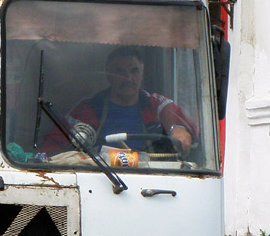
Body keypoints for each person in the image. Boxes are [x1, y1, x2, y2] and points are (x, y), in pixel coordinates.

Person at [42, 46, 196, 157]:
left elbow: (180, 121)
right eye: (119, 72)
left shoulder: (156, 105)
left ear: (142, 73)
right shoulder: (89, 107)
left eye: (134, 71)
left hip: (150, 180)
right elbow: (52, 146)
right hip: (100, 180)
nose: (128, 78)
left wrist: (180, 129)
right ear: (109, 75)